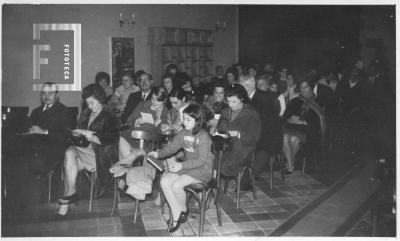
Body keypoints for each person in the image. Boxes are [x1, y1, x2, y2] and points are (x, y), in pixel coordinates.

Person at [148, 103, 214, 233]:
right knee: (164, 181)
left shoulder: (203, 136)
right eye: (183, 118)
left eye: (188, 119)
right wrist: (158, 153)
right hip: (188, 167)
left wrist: (181, 165)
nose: (184, 122)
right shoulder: (183, 132)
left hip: (202, 169)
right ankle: (179, 211)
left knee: (177, 185)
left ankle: (180, 213)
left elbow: (201, 160)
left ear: (198, 121)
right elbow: (172, 148)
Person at [58, 83, 120, 215]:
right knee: (69, 154)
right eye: (88, 103)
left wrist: (92, 136)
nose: (90, 106)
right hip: (86, 152)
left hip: (102, 155)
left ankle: (68, 199)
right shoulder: (87, 113)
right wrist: (77, 134)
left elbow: (111, 141)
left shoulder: (110, 116)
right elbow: (82, 139)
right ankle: (71, 193)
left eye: (92, 103)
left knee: (69, 158)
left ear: (100, 99)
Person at [13, 82, 74, 174]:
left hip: (54, 149)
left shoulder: (65, 111)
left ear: (57, 95)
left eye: (50, 93)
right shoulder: (36, 111)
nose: (47, 96)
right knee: (15, 158)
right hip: (34, 148)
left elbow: (66, 136)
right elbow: (28, 129)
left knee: (34, 161)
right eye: (44, 93)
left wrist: (44, 132)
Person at [216, 84, 261, 191]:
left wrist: (238, 134)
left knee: (220, 163)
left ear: (241, 98)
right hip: (227, 146)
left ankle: (242, 182)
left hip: (244, 148)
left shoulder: (251, 113)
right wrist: (217, 131)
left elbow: (254, 138)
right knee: (208, 158)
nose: (230, 105)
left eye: (234, 102)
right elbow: (221, 128)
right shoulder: (225, 111)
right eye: (228, 101)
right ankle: (212, 190)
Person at [239, 75, 281, 184]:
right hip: (253, 134)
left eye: (241, 86)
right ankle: (241, 174)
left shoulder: (266, 98)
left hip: (269, 136)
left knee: (260, 150)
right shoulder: (244, 99)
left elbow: (268, 123)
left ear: (248, 86)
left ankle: (247, 179)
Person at [282, 79, 325, 174]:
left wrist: (304, 122)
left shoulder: (318, 101)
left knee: (294, 140)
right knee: (284, 138)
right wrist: (291, 118)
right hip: (291, 127)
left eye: (305, 87)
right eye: (301, 87)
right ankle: (290, 165)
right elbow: (286, 115)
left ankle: (290, 163)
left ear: (311, 88)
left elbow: (318, 120)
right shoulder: (296, 100)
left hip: (307, 130)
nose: (302, 90)